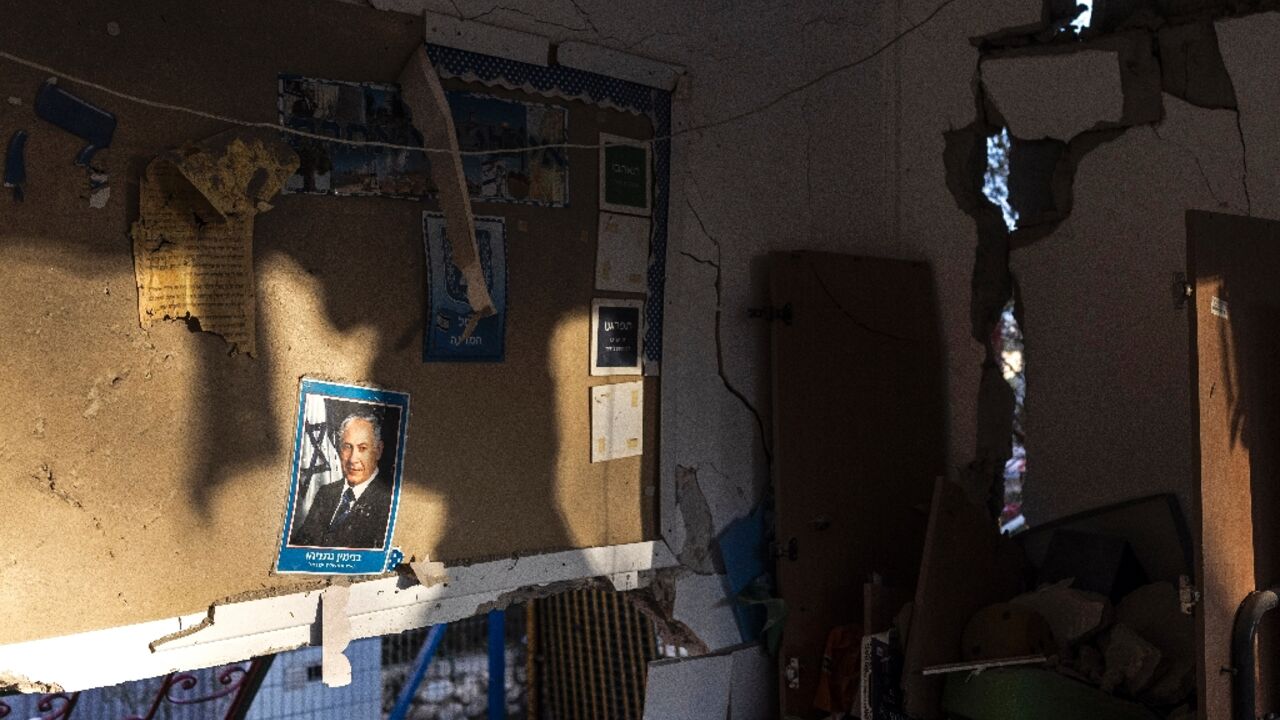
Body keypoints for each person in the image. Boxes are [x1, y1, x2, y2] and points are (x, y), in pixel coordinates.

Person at [289, 412, 392, 549]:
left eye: (362, 448)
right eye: (347, 447)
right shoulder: (326, 493)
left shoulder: (388, 501)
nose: (352, 459)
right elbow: (301, 544)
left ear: (378, 450)